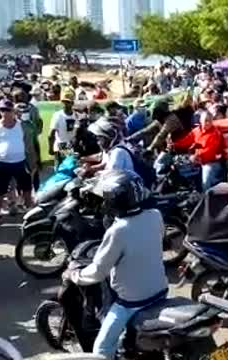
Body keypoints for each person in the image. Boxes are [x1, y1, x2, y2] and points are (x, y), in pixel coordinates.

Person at [64, 170, 168, 360]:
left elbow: (97, 272)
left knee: (101, 349)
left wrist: (74, 275)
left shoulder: (118, 231)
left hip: (132, 302)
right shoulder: (155, 215)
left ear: (113, 202)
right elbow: (155, 240)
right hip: (160, 291)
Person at [0, 99, 35, 213]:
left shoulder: (21, 126)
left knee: (27, 188)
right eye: (2, 110)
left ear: (13, 110)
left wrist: (33, 163)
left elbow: (29, 146)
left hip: (20, 163)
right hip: (2, 164)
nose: (5, 112)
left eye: (7, 110)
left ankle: (29, 212)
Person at [48, 92, 76, 165]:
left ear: (72, 103)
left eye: (67, 102)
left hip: (70, 145)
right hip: (61, 145)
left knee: (68, 168)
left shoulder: (75, 115)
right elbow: (51, 134)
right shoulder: (57, 115)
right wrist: (51, 148)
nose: (65, 104)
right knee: (63, 168)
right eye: (64, 102)